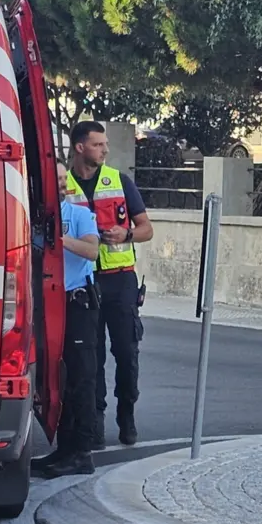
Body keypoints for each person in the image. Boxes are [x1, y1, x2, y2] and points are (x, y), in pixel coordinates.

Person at [61, 121, 154, 446]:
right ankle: (95, 420)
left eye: (105, 144)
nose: (105, 149)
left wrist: (126, 233)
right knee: (91, 357)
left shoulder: (120, 181)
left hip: (120, 281)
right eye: (98, 144)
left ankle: (126, 413)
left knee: (127, 352)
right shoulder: (63, 185)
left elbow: (147, 229)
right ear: (80, 147)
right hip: (83, 283)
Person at [32, 162, 103, 478]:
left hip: (77, 303)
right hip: (49, 304)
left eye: (64, 179)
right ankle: (64, 447)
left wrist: (60, 241)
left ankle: (81, 452)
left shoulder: (78, 215)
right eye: (55, 179)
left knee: (81, 377)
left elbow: (92, 250)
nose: (61, 184)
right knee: (56, 379)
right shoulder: (38, 217)